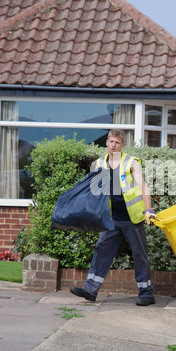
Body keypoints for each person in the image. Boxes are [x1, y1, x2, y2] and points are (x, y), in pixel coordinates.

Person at [70, 129, 156, 306]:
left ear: (122, 145)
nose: (113, 145)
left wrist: (149, 209)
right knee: (102, 249)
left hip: (132, 218)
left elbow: (144, 187)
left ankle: (147, 293)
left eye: (117, 142)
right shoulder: (99, 164)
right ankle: (90, 290)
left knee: (139, 254)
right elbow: (93, 193)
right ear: (107, 143)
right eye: (111, 142)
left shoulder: (131, 163)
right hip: (111, 218)